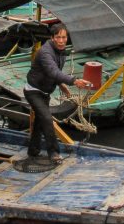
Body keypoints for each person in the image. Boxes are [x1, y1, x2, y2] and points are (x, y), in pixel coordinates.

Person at [23, 23, 90, 161]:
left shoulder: (61, 51)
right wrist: (74, 81)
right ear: (52, 38)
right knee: (47, 119)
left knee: (40, 122)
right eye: (58, 37)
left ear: (67, 38)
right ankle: (53, 153)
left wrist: (62, 85)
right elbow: (52, 71)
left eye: (64, 37)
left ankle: (33, 151)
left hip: (45, 92)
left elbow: (55, 73)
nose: (61, 40)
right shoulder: (45, 52)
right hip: (33, 91)